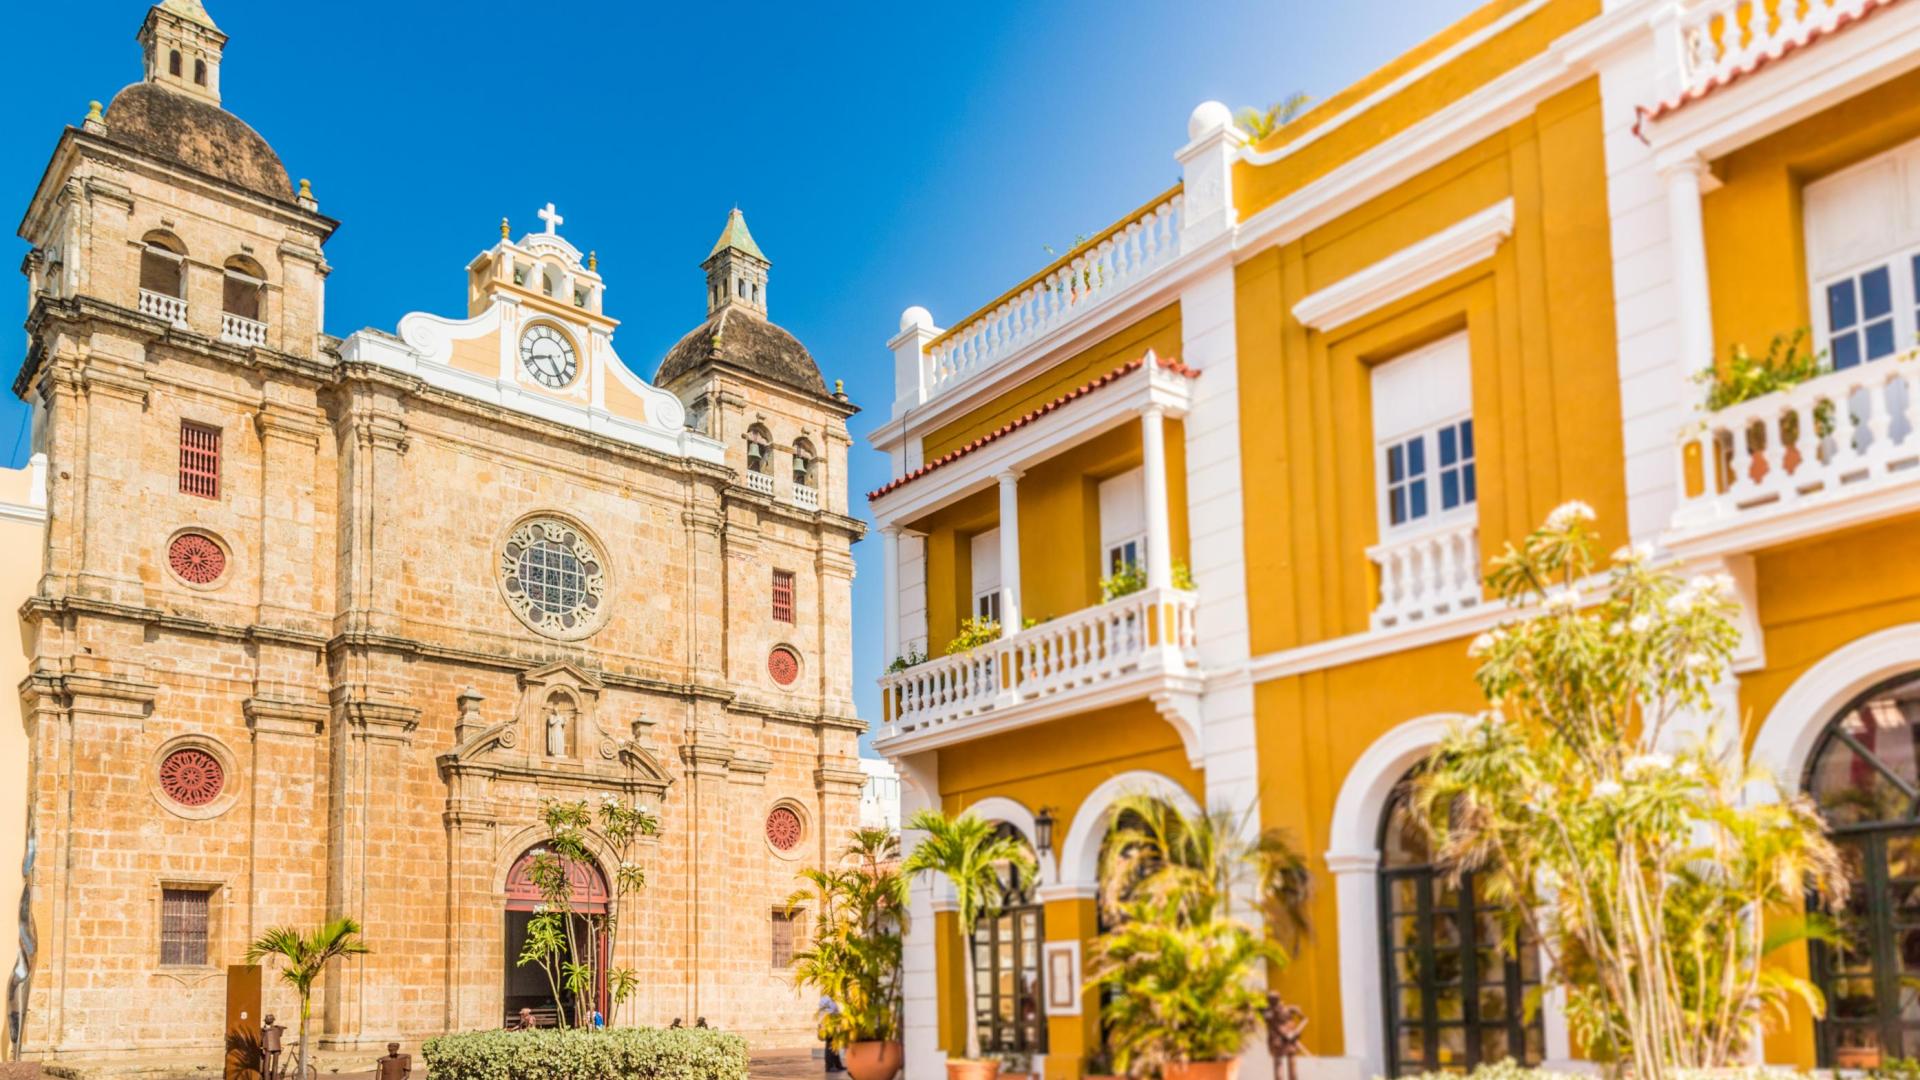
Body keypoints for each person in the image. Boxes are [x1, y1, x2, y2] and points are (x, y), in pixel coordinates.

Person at [817, 994, 844, 1074]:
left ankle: (838, 1065)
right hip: (827, 1025)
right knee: (829, 1046)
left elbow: (835, 1011)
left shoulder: (831, 999)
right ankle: (829, 1067)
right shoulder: (825, 999)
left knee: (834, 1045)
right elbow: (829, 1011)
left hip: (832, 1024)